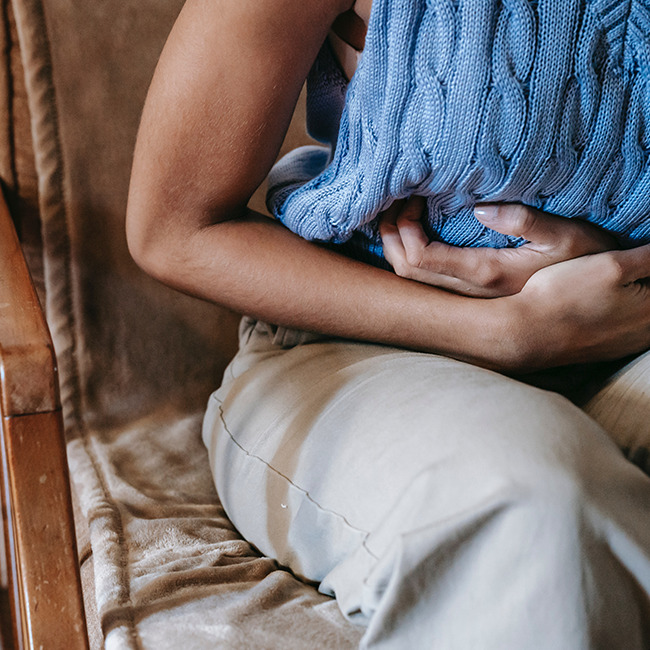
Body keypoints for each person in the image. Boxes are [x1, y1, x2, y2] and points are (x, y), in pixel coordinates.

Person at [125, 0, 650, 647]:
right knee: (537, 509)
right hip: (363, 348)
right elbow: (175, 229)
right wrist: (504, 332)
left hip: (635, 336)